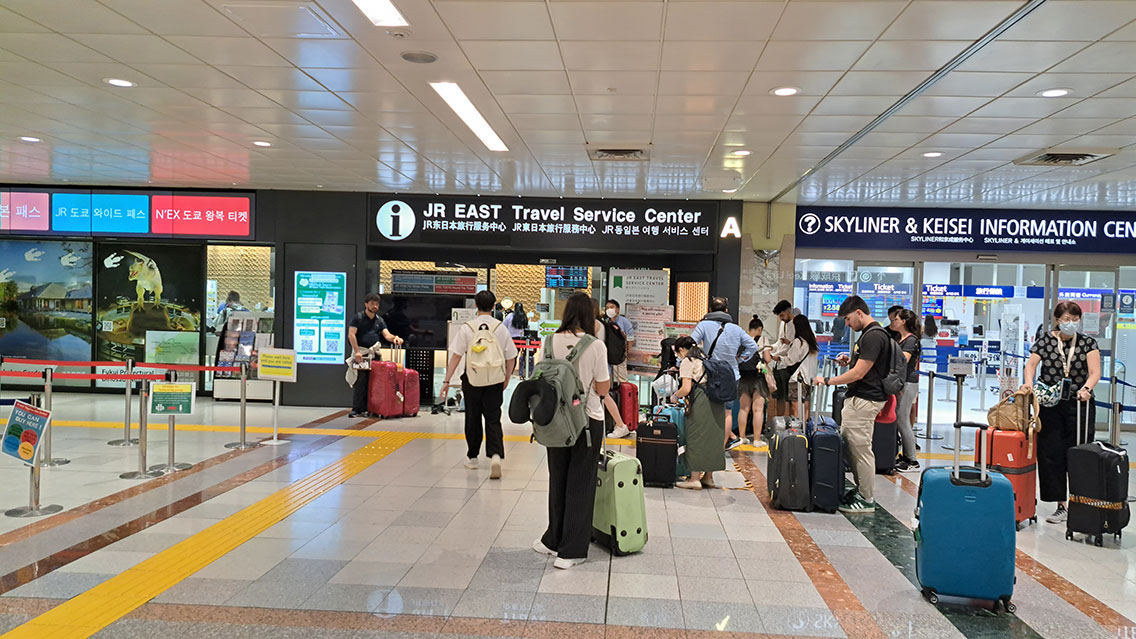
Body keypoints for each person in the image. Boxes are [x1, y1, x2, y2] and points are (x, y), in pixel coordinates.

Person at [533, 292, 610, 569]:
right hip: (587, 421)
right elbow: (602, 388)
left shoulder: (550, 340)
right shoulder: (595, 346)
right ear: (590, 316)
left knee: (558, 479)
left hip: (555, 420)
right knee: (581, 483)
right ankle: (572, 550)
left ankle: (552, 540)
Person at [1020, 301, 1101, 524]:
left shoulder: (1087, 342)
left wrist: (1086, 389)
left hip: (1079, 405)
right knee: (1050, 453)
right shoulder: (1045, 340)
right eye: (1067, 319)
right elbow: (1031, 365)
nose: (1071, 324)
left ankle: (1080, 502)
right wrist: (1028, 384)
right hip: (1050, 405)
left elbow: (1095, 372)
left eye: (1075, 320)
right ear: (1057, 320)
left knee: (1079, 453)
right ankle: (1060, 505)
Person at [814, 295, 890, 514]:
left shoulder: (873, 336)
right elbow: (864, 366)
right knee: (854, 448)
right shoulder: (869, 335)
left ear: (859, 313)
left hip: (866, 400)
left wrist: (827, 380)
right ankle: (861, 491)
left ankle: (866, 499)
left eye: (848, 319)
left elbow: (859, 373)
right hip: (862, 398)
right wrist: (850, 360)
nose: (847, 324)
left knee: (861, 449)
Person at [441, 290, 518, 479]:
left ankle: (472, 457)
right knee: (493, 417)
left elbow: (456, 355)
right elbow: (511, 357)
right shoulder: (500, 328)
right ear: (493, 306)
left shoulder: (468, 327)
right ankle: (495, 455)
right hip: (494, 380)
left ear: (476, 305)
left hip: (472, 379)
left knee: (473, 417)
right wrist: (507, 377)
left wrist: (447, 380)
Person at [691, 297, 758, 451]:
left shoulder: (703, 325)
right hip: (732, 375)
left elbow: (691, 343)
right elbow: (753, 346)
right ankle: (721, 448)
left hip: (710, 374)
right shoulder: (736, 329)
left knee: (708, 410)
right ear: (727, 311)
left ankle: (708, 444)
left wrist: (699, 358)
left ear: (710, 310)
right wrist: (740, 359)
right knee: (727, 412)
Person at [671, 336, 727, 489]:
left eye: (677, 353)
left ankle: (694, 479)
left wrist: (675, 396)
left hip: (702, 400)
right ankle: (708, 477)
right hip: (716, 400)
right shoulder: (704, 357)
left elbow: (686, 388)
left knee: (696, 435)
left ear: (681, 350)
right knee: (712, 437)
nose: (678, 356)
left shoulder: (687, 361)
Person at [347, 293, 404, 418]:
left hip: (374, 355)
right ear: (366, 304)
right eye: (372, 303)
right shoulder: (358, 317)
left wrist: (395, 338)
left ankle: (371, 407)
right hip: (361, 353)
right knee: (360, 380)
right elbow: (351, 335)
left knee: (375, 381)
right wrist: (356, 351)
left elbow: (387, 335)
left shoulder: (379, 320)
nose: (375, 306)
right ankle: (357, 408)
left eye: (377, 304)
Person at [592, 298, 630, 438]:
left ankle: (620, 425)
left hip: (599, 367)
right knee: (602, 395)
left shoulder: (596, 325)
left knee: (604, 394)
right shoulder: (602, 324)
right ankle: (618, 425)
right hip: (601, 366)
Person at [891, 309, 922, 472]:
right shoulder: (899, 338)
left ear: (903, 322)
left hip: (908, 383)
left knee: (902, 420)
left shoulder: (911, 340)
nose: (893, 322)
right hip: (902, 382)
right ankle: (906, 455)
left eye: (895, 319)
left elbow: (903, 360)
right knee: (899, 419)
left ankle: (912, 460)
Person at [737, 316, 775, 444]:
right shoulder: (763, 339)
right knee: (758, 410)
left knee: (743, 409)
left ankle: (742, 437)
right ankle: (757, 439)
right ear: (760, 329)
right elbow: (767, 359)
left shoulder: (742, 340)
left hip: (743, 377)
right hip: (758, 378)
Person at [772, 314, 819, 419]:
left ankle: (797, 431)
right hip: (810, 379)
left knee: (795, 406)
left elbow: (791, 360)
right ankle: (804, 429)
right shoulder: (812, 343)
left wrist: (778, 358)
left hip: (798, 378)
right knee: (806, 406)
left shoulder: (799, 342)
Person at [770, 300, 795, 417]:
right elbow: (780, 342)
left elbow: (794, 347)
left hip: (789, 366)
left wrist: (775, 355)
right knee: (779, 397)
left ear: (789, 311)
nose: (781, 318)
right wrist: (771, 348)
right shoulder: (782, 324)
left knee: (790, 398)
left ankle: (791, 424)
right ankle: (779, 422)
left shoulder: (796, 324)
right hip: (778, 365)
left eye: (782, 315)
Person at [505, 303, 531, 378]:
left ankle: (507, 371)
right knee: (515, 355)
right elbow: (526, 327)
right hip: (520, 339)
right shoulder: (524, 316)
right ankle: (512, 371)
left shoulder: (510, 316)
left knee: (508, 356)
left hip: (511, 338)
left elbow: (503, 325)